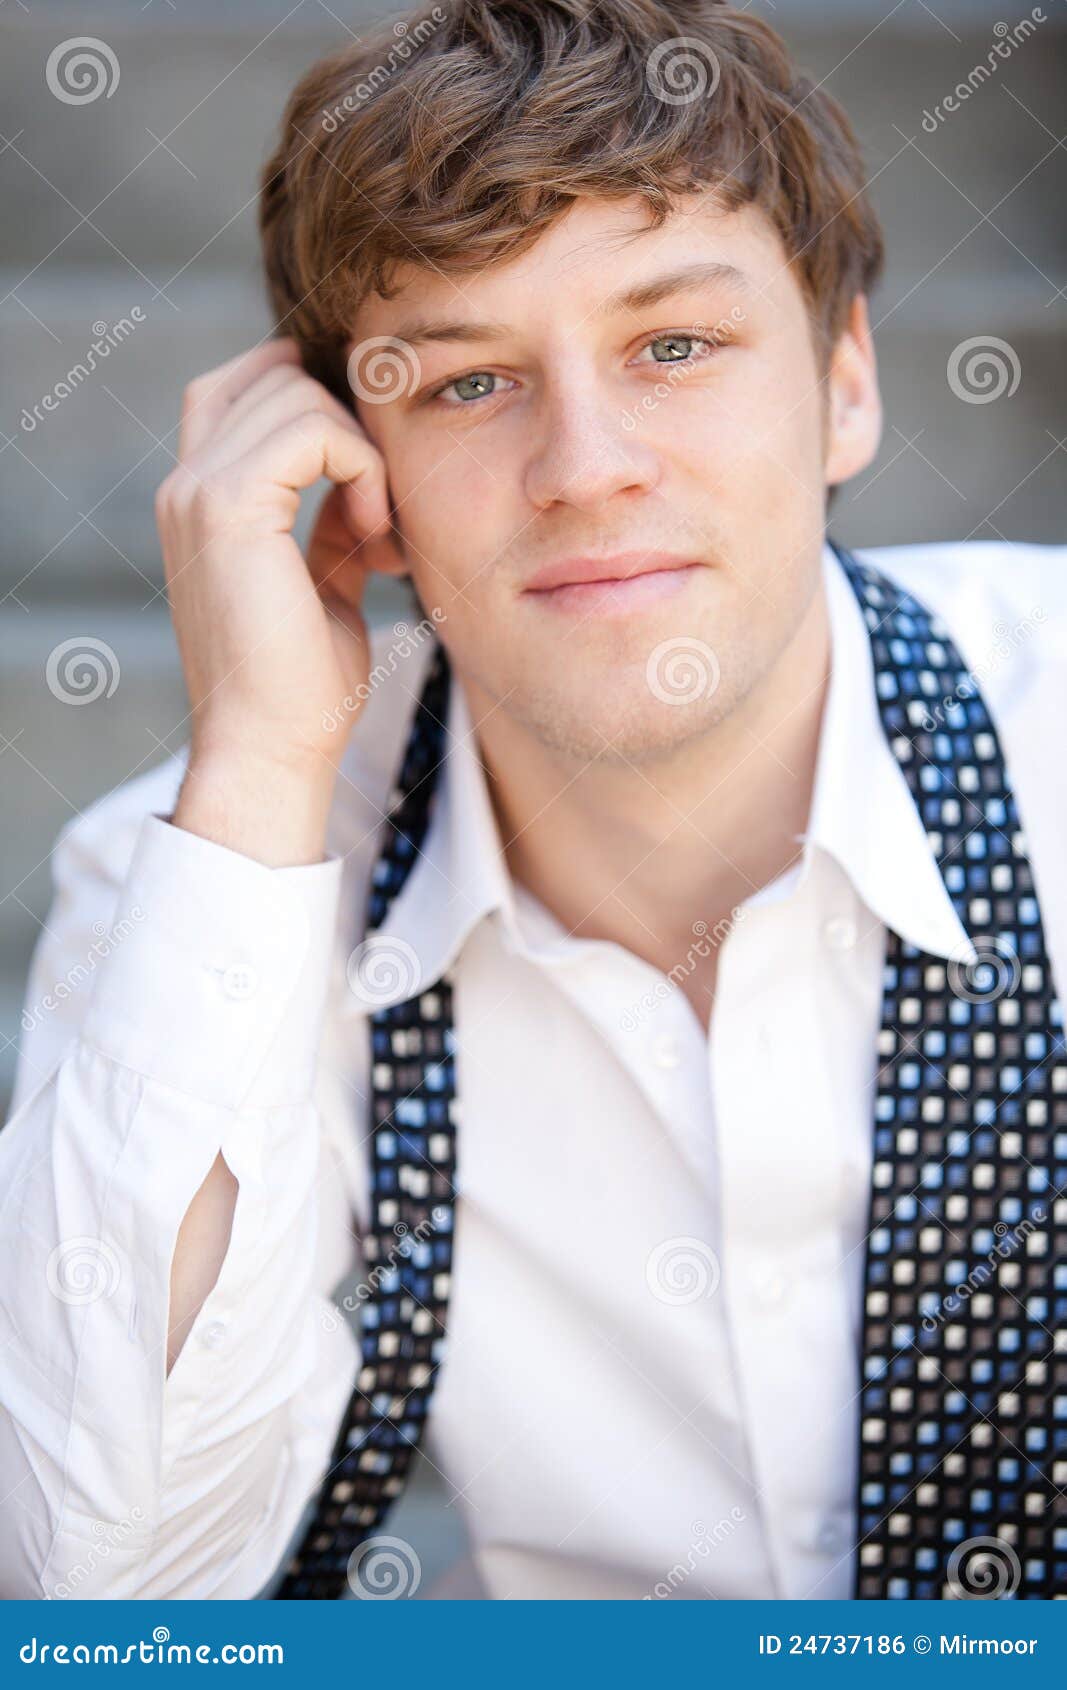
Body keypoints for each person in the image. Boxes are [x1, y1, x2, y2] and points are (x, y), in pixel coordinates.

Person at [1, 0, 1065, 1602]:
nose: (586, 463)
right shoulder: (209, 872)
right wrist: (261, 764)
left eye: (676, 346)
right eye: (467, 383)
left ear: (846, 381)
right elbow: (99, 1588)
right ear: (358, 473)